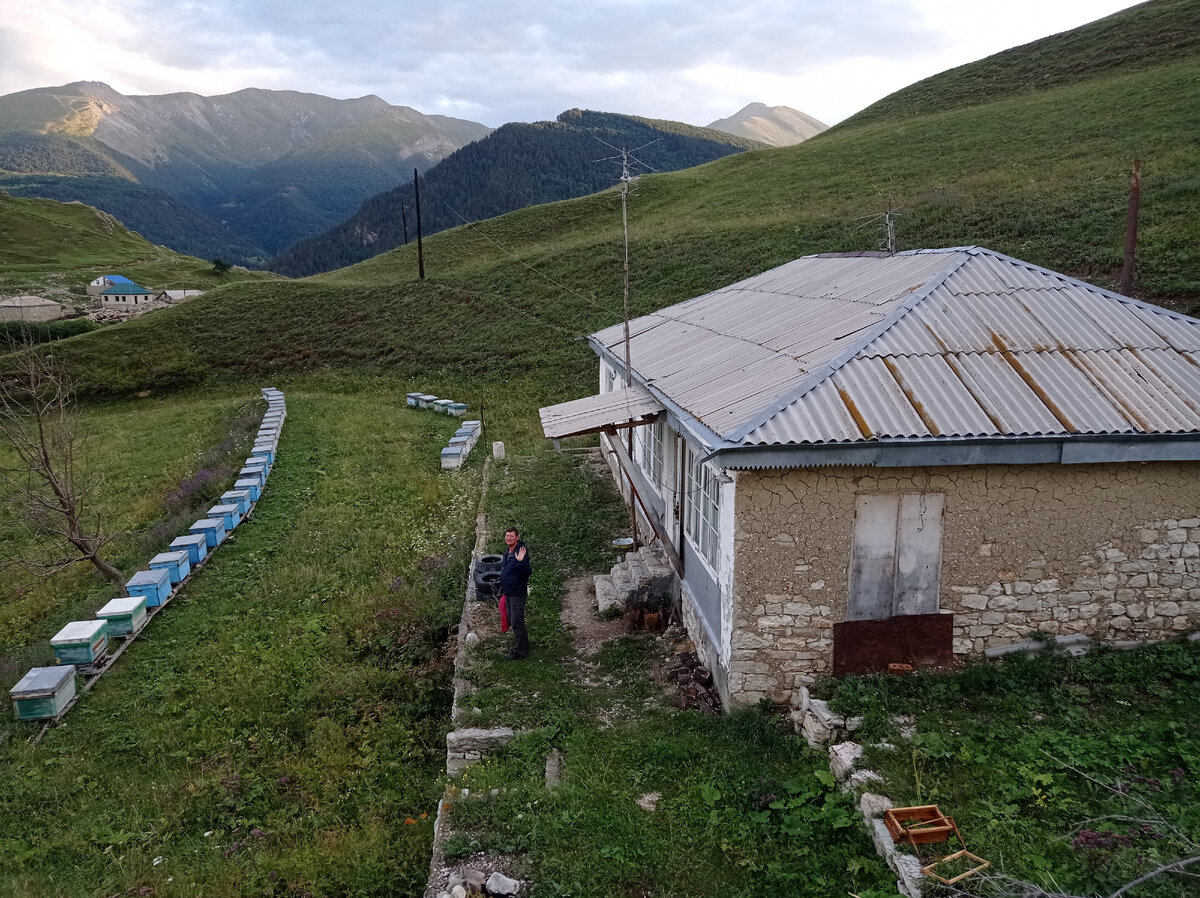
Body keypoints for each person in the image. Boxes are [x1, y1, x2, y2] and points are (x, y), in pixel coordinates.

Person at [499, 526, 532, 660]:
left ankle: (520, 651)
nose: (509, 538)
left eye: (511, 536)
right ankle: (522, 643)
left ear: (517, 538)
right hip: (509, 592)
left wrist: (519, 562)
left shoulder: (521, 552)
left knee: (516, 621)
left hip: (517, 593)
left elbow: (527, 572)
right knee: (513, 620)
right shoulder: (507, 552)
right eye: (507, 536)